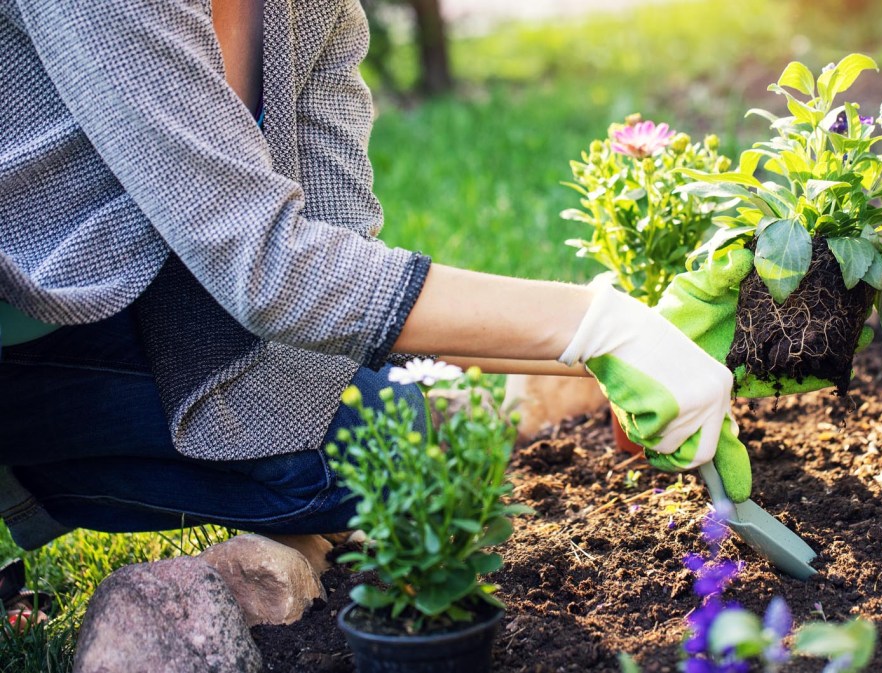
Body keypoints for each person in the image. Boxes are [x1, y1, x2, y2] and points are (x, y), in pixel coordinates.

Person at [0, 0, 738, 556]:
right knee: (338, 469)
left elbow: (338, 270)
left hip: (162, 305)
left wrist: (612, 351)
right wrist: (596, 322)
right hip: (29, 319)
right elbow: (268, 266)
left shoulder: (316, 11)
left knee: (398, 444)